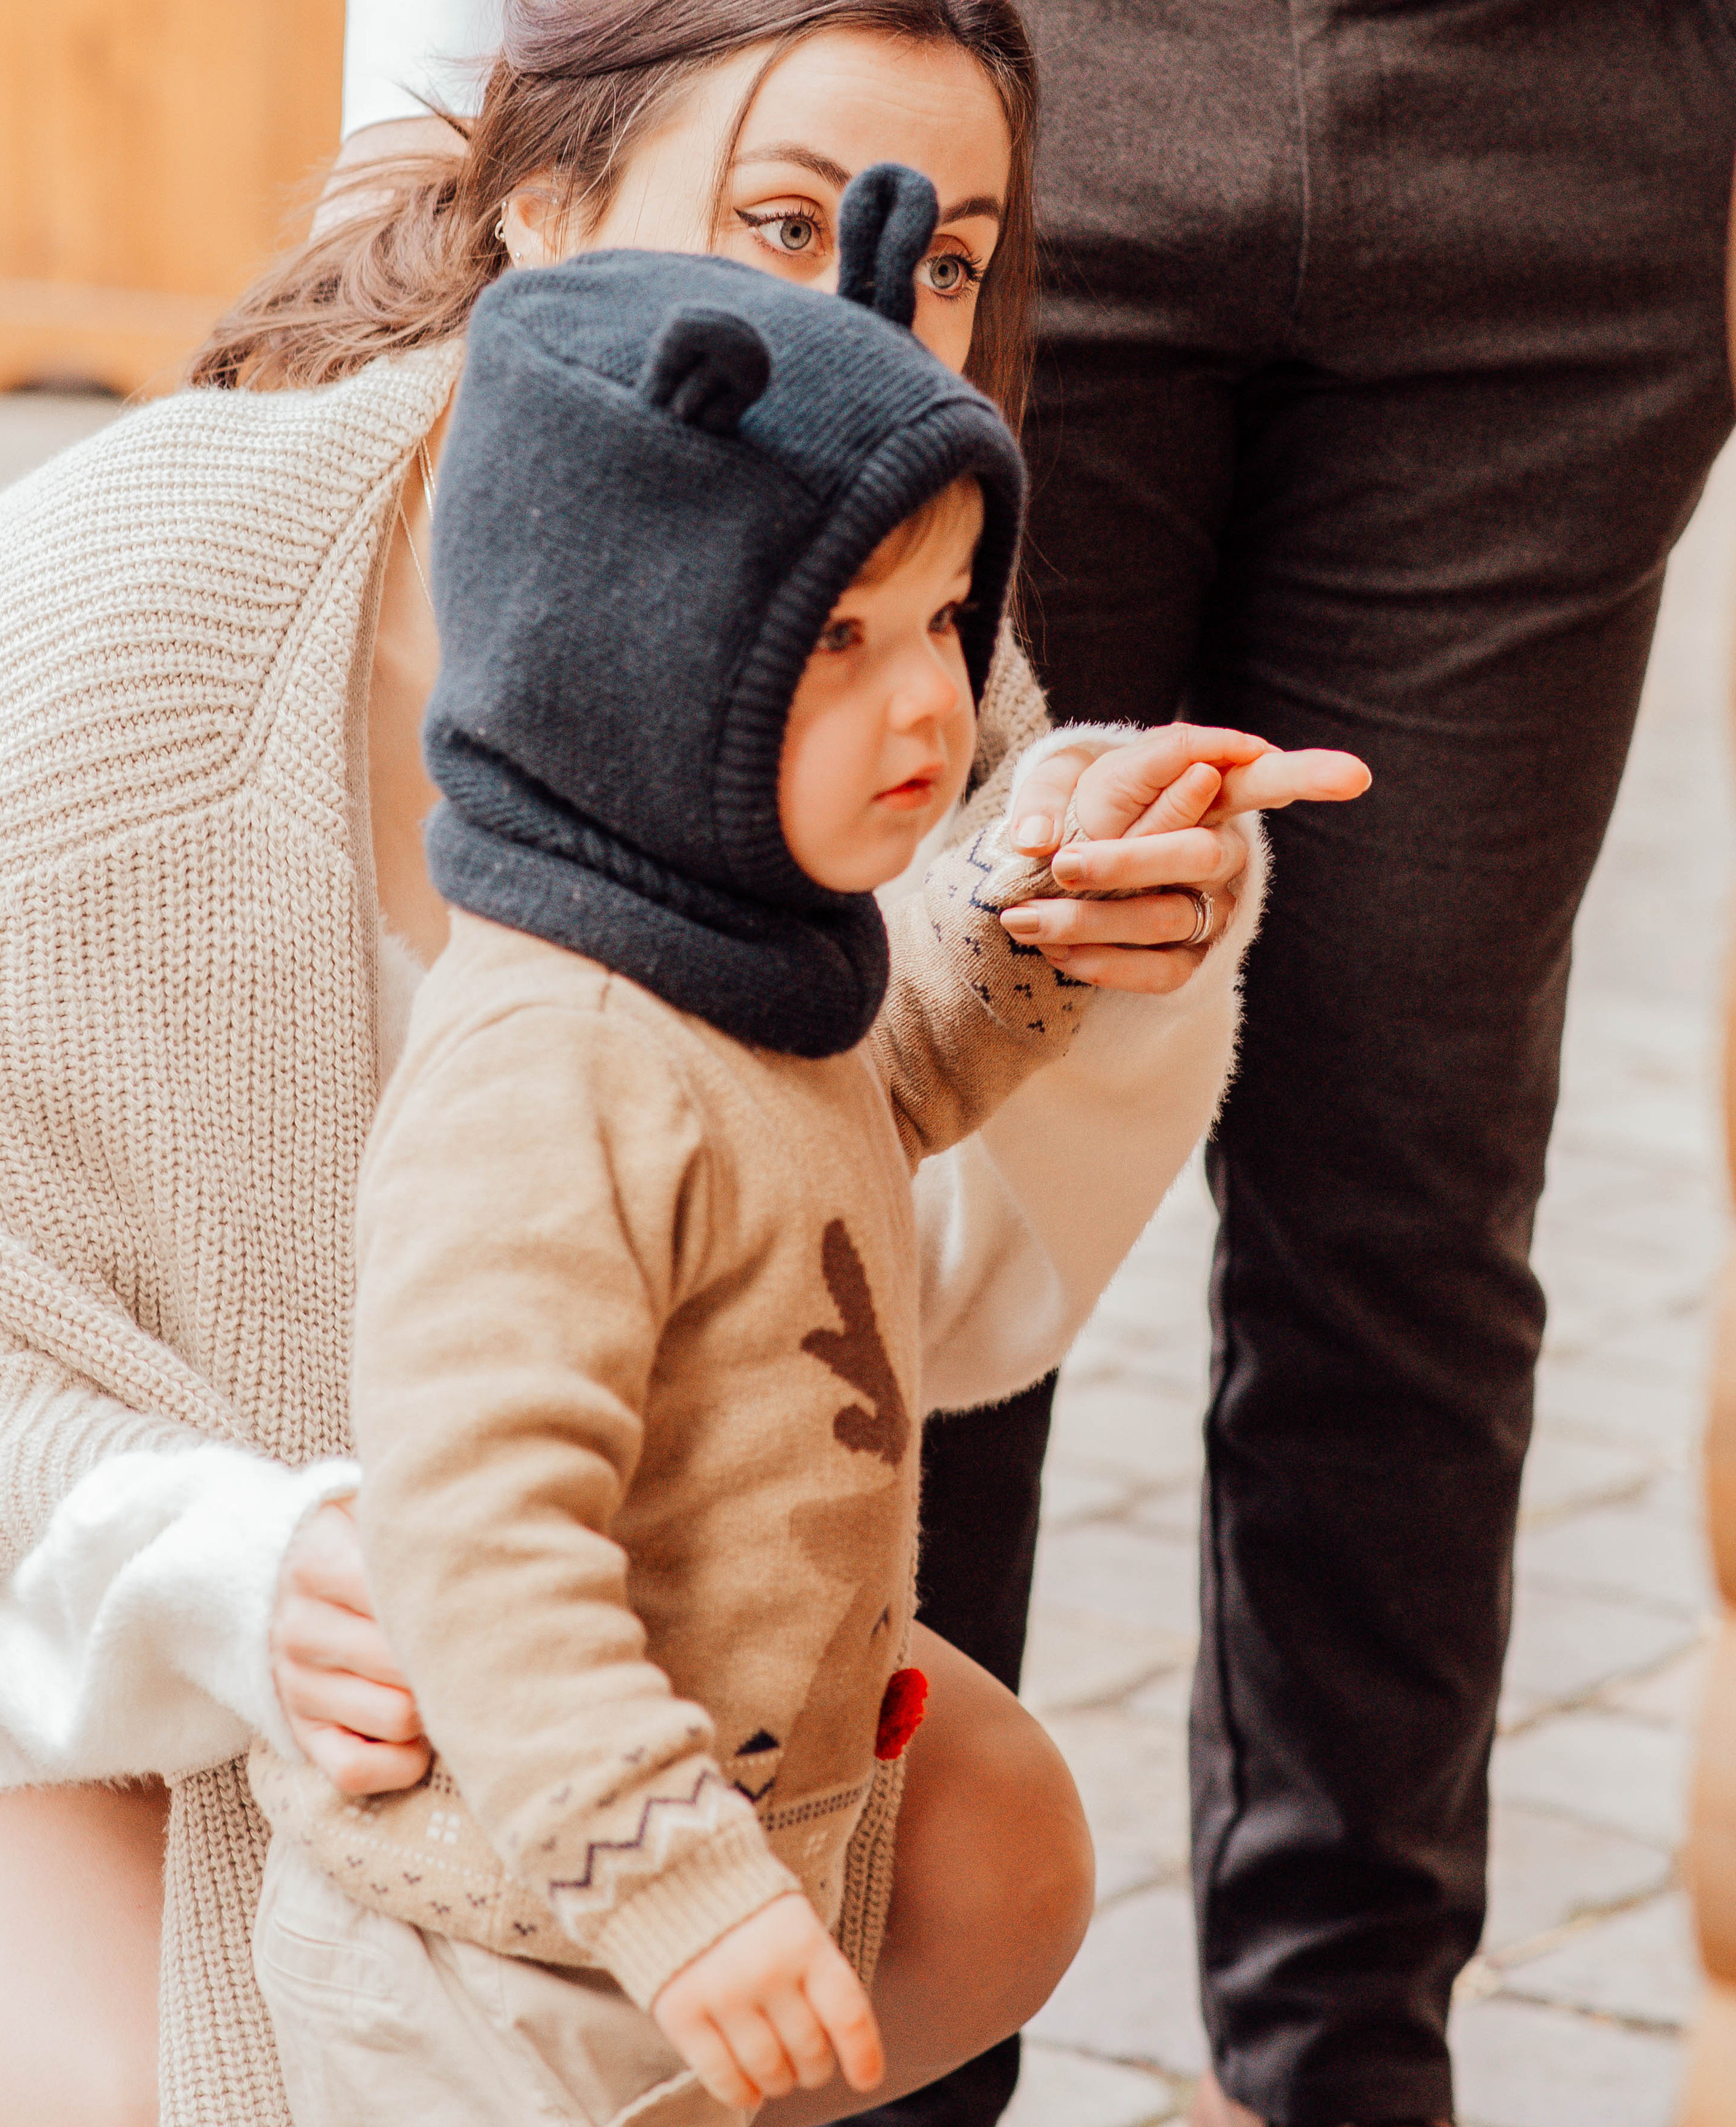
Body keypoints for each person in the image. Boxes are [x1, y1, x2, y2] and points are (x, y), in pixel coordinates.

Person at [279, 0, 1736, 2120]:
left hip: (1564, 82)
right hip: (928, 62)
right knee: (838, 1113)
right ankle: (852, 2061)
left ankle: (1350, 2068)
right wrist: (421, 114)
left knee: (1415, 1193)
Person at [0, 0, 1301, 2127]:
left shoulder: (877, 645)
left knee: (990, 1842)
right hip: (38, 1618)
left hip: (521, 1671)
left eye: (946, 259)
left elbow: (869, 1309)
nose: (890, 321)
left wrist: (1082, 958)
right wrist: (250, 1568)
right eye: (787, 221)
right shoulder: (107, 602)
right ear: (536, 203)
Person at [247, 186, 1365, 2127]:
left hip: (698, 1893)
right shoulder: (551, 1066)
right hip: (504, 1965)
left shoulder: (740, 960)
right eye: (839, 637)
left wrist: (1047, 873)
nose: (931, 696)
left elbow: (893, 1061)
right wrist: (675, 1891)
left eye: (941, 614)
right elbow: (476, 1540)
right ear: (633, 650)